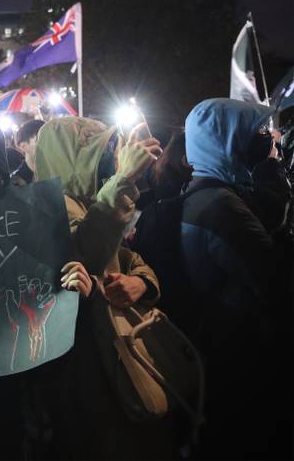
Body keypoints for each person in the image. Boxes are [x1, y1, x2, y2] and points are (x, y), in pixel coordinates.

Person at [33, 115, 172, 459]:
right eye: (101, 149)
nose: (111, 156)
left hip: (108, 346)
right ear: (70, 156)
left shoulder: (91, 199)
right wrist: (124, 180)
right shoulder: (44, 209)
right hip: (79, 360)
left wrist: (141, 282)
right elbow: (86, 253)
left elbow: (128, 258)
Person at [175, 98, 290, 459]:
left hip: (223, 345)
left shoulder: (203, 192)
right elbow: (276, 278)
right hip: (241, 353)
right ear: (225, 139)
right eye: (254, 132)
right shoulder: (220, 206)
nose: (266, 140)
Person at [11, 118, 45, 186]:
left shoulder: (58, 171)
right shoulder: (15, 183)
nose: (48, 144)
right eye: (41, 140)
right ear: (23, 146)